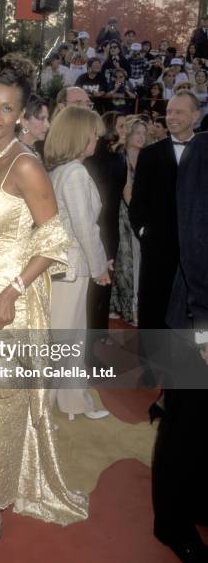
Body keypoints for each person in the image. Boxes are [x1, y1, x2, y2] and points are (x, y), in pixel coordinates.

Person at [0, 54, 88, 553]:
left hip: (5, 307)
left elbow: (55, 241)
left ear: (21, 114)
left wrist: (12, 290)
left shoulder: (26, 165)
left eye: (5, 108)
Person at [152, 129, 208, 562]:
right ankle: (172, 523)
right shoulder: (203, 149)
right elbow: (194, 241)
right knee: (185, 425)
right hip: (196, 315)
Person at [47, 105, 111, 421]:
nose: (97, 139)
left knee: (71, 338)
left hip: (68, 267)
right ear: (79, 135)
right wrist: (99, 266)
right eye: (92, 134)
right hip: (70, 268)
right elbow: (86, 227)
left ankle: (73, 401)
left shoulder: (64, 170)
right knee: (61, 341)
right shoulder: (74, 173)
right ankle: (40, 415)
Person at [130, 92, 200, 331]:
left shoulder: (206, 152)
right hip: (158, 250)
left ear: (196, 116)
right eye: (169, 111)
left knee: (196, 317)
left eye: (179, 111)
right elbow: (138, 203)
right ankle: (150, 366)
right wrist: (145, 234)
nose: (171, 117)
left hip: (198, 252)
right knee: (153, 311)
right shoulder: (150, 154)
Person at [85, 111, 127, 333]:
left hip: (110, 226)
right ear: (109, 129)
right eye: (121, 126)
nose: (125, 131)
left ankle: (100, 330)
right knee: (95, 281)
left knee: (105, 279)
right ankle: (93, 332)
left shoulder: (118, 158)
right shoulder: (99, 160)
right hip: (97, 225)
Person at [110, 116, 147, 325]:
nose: (142, 137)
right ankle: (124, 308)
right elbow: (127, 193)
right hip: (124, 215)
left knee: (136, 262)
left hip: (139, 214)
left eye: (144, 133)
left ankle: (130, 306)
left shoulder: (147, 158)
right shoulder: (121, 157)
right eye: (138, 133)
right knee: (124, 262)